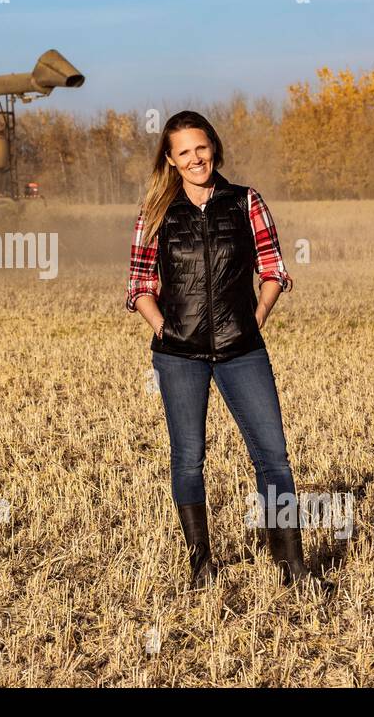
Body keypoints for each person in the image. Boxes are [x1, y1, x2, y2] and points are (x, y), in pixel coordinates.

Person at [125, 110, 312, 590]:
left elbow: (274, 269)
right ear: (169, 159)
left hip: (242, 349)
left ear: (215, 149)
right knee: (188, 458)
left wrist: (256, 318)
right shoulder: (156, 213)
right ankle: (201, 566)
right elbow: (140, 284)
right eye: (183, 151)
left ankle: (294, 568)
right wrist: (164, 328)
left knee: (274, 457)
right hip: (178, 355)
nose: (195, 158)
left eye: (201, 148)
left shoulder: (245, 201)